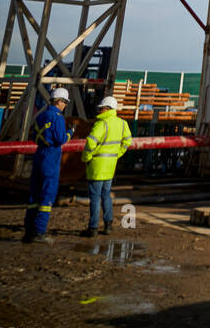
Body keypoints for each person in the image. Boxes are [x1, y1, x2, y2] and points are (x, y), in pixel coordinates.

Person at [22, 87, 71, 244]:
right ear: (60, 101)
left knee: (34, 195)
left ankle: (29, 231)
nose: (65, 105)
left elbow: (35, 136)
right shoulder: (57, 118)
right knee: (47, 195)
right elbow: (60, 139)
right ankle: (40, 232)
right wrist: (70, 133)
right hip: (51, 157)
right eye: (65, 102)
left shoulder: (41, 116)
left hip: (39, 155)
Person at [80, 95, 132, 238]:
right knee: (106, 195)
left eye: (101, 107)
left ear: (107, 108)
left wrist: (86, 158)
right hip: (110, 166)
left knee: (95, 198)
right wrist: (117, 154)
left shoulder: (101, 124)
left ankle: (93, 228)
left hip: (96, 166)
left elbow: (90, 143)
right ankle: (108, 225)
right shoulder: (122, 123)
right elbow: (127, 141)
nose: (100, 110)